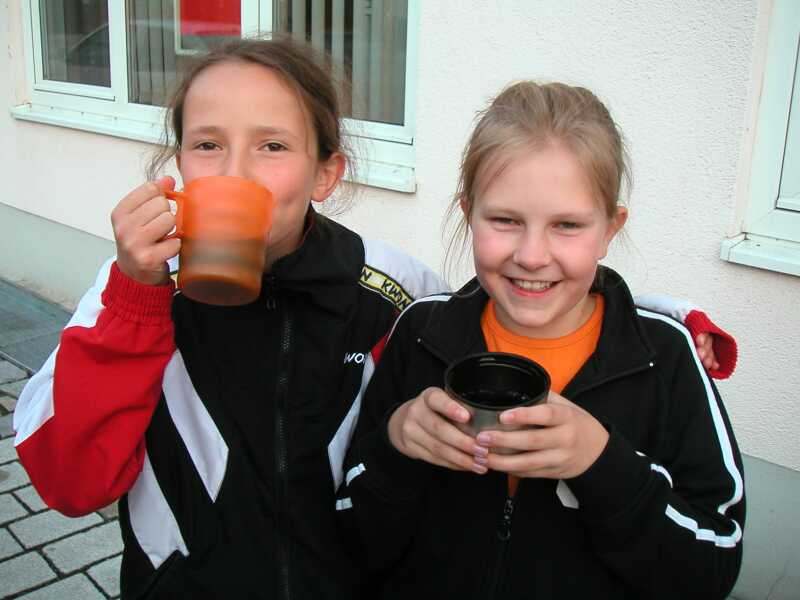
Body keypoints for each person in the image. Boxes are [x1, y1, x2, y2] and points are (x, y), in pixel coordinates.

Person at [13, 38, 734, 599]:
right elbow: (70, 485)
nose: (234, 172)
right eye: (207, 144)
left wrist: (667, 321)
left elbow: (509, 305)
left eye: (272, 145)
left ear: (327, 171)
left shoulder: (394, 293)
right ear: (177, 165)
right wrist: (137, 294)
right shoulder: (131, 297)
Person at [336, 81, 745, 599]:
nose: (531, 256)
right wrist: (397, 445)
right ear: (468, 213)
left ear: (610, 228)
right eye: (505, 220)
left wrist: (600, 461)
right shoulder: (420, 332)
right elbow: (350, 542)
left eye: (567, 225)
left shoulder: (665, 356)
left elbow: (713, 566)